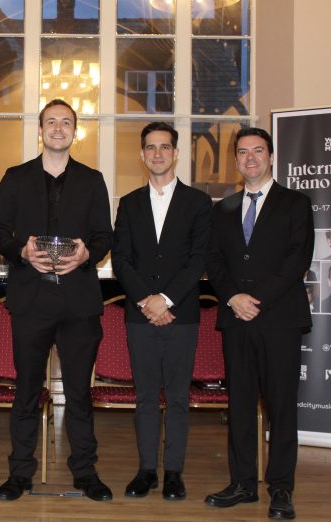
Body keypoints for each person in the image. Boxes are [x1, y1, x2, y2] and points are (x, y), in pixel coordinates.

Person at [0, 99, 113, 502]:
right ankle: (19, 474)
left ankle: (86, 472)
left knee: (78, 393)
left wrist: (88, 254)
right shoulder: (15, 177)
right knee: (26, 391)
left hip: (79, 302)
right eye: (51, 122)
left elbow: (104, 235)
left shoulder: (93, 180)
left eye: (66, 122)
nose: (58, 128)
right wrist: (21, 251)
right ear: (40, 130)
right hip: (31, 299)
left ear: (74, 132)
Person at [205, 128, 314, 520]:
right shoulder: (223, 208)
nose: (250, 158)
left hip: (279, 319)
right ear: (235, 159)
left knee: (281, 406)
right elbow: (214, 260)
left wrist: (257, 300)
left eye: (257, 151)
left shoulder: (295, 203)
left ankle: (281, 488)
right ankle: (243, 484)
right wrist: (233, 297)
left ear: (271, 156)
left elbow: (297, 259)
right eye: (242, 152)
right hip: (236, 319)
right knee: (239, 404)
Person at [112, 122, 211, 501]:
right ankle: (146, 472)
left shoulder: (198, 203)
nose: (157, 154)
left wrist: (165, 299)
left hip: (181, 315)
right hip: (140, 316)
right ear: (142, 155)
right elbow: (121, 260)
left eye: (165, 147)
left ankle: (173, 473)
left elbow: (198, 259)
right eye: (151, 147)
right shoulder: (129, 203)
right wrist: (147, 300)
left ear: (176, 153)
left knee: (179, 398)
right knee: (146, 397)